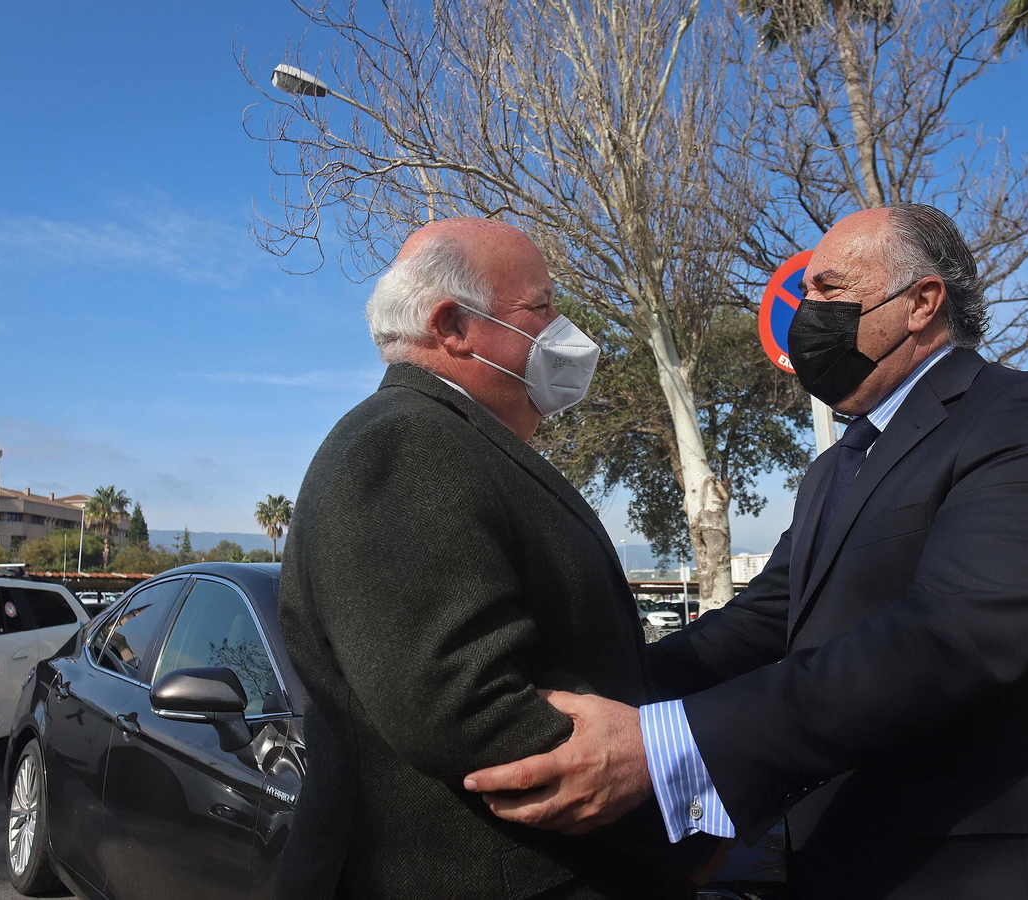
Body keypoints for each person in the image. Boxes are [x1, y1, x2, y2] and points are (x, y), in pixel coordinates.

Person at [466, 204, 1028, 899]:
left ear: (923, 302)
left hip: (999, 873)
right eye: (805, 294)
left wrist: (665, 747)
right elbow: (761, 620)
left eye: (829, 290)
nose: (807, 312)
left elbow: (951, 639)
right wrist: (600, 695)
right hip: (843, 861)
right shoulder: (835, 468)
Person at [276, 218, 714, 899]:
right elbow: (467, 711)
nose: (563, 329)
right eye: (540, 307)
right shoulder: (402, 446)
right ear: (453, 326)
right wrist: (677, 806)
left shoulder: (455, 442)